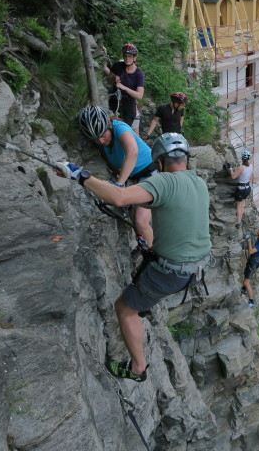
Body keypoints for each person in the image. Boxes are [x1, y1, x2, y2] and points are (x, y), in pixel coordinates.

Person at [57, 133, 211, 382]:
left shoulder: (164, 182)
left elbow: (119, 197)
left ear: (159, 162)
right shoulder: (198, 182)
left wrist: (79, 175)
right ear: (185, 158)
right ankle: (146, 302)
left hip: (172, 272)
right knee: (146, 277)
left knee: (125, 309)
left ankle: (138, 369)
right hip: (198, 267)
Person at [78, 105, 156, 245]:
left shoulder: (120, 127)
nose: (101, 141)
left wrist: (119, 185)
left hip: (151, 174)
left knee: (141, 221)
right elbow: (112, 165)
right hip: (135, 179)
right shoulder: (101, 143)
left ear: (108, 126)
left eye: (103, 135)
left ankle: (155, 258)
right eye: (96, 139)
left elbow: (132, 151)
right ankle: (144, 248)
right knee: (134, 219)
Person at [102, 43, 144, 126]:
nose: (127, 59)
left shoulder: (139, 74)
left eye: (130, 56)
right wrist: (114, 77)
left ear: (135, 58)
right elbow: (108, 80)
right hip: (114, 102)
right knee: (109, 127)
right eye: (125, 56)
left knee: (122, 129)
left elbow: (139, 95)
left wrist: (124, 88)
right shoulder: (118, 66)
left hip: (128, 107)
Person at [241, 226, 259, 308]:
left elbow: (250, 251)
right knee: (246, 278)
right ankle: (244, 289)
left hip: (253, 263)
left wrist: (249, 240)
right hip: (254, 261)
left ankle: (251, 301)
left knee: (246, 282)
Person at [230, 150, 253, 229]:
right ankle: (240, 220)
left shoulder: (241, 167)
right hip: (247, 188)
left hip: (241, 189)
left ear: (242, 158)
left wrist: (230, 169)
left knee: (239, 206)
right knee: (242, 205)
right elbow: (250, 177)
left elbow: (233, 176)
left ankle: (239, 222)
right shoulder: (251, 166)